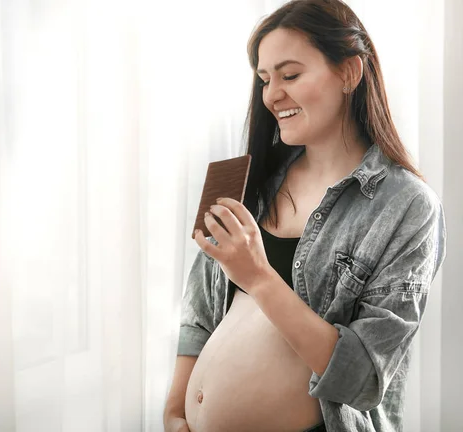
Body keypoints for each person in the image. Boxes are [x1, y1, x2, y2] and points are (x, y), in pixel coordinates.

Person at [163, 0, 447, 431]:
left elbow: (364, 378)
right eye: (264, 78)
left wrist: (259, 276)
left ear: (350, 73)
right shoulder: (247, 178)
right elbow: (198, 313)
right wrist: (175, 414)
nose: (272, 94)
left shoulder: (407, 206)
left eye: (290, 75)